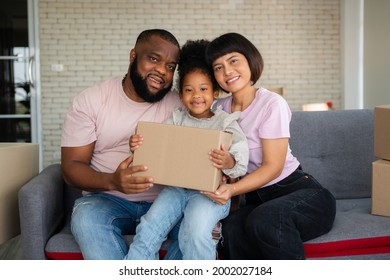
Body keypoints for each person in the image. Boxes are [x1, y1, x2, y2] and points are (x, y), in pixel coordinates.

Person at [203, 32, 336, 260]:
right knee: (232, 229)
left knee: (265, 219)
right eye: (218, 67)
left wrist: (233, 190)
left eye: (233, 60)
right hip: (256, 198)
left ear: (250, 60)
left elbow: (273, 167)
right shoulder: (219, 109)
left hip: (298, 192)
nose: (227, 71)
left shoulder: (271, 103)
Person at [61, 29, 184, 260]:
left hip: (166, 203)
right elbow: (71, 167)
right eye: (154, 59)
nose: (161, 71)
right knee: (86, 217)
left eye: (170, 66)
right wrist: (112, 181)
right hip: (107, 200)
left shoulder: (179, 104)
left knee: (201, 226)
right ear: (133, 56)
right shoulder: (92, 100)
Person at [126, 39, 249, 260]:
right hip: (175, 190)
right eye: (189, 90)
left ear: (215, 93)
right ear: (181, 95)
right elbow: (156, 145)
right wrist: (137, 145)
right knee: (148, 227)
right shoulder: (176, 119)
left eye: (203, 89)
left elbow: (241, 156)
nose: (196, 95)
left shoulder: (225, 122)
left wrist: (229, 161)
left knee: (195, 231)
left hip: (209, 194)